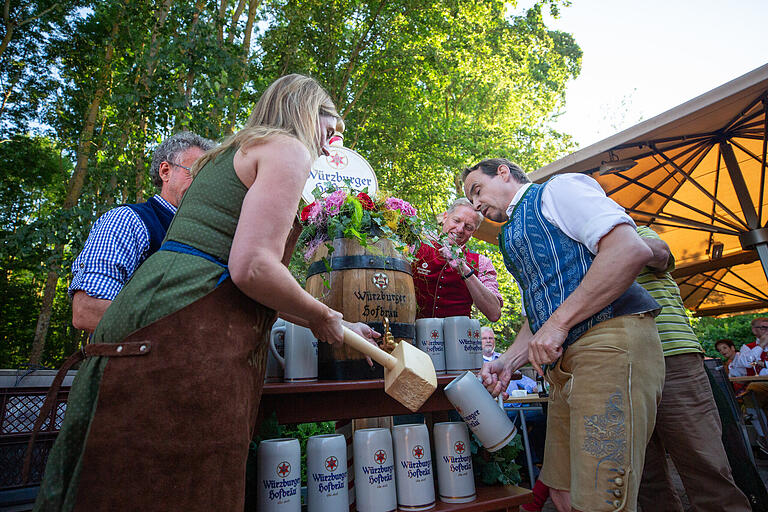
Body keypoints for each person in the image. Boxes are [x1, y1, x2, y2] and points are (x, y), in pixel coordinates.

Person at [34, 74, 380, 511]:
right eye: (330, 130)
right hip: (184, 330)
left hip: (152, 320)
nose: (331, 145)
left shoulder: (228, 152)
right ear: (306, 112)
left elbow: (251, 276)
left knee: (108, 480)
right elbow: (252, 267)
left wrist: (341, 325)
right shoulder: (287, 148)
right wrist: (318, 315)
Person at [462, 158, 664, 512]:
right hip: (562, 367)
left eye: (477, 189)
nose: (475, 203)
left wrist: (558, 325)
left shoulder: (558, 189)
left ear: (504, 172)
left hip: (609, 343)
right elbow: (542, 312)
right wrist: (508, 361)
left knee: (601, 499)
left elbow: (629, 250)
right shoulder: (510, 233)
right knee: (562, 492)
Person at [634, 226, 750, 511]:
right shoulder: (579, 250)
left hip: (672, 356)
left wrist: (609, 235)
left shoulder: (636, 230)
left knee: (704, 462)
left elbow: (661, 254)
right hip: (620, 364)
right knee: (644, 475)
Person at [69, 131, 215, 332]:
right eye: (197, 172)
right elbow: (87, 311)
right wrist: (191, 330)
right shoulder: (128, 220)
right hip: (134, 360)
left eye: (209, 178)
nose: (204, 185)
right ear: (165, 171)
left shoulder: (210, 237)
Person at [412, 198, 502, 321]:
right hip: (412, 335)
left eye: (468, 227)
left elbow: (494, 313)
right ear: (445, 217)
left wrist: (464, 269)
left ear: (473, 232)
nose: (460, 229)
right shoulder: (415, 246)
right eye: (456, 220)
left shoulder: (481, 263)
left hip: (458, 337)